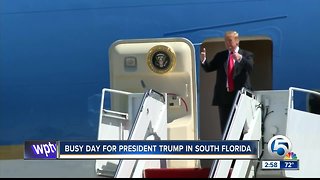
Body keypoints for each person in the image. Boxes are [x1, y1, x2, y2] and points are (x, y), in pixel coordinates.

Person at [200, 31, 254, 134]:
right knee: (225, 127)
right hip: (224, 96)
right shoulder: (221, 56)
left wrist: (240, 59)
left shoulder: (247, 54)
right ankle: (227, 148)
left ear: (237, 41)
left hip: (240, 96)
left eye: (230, 41)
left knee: (242, 126)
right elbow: (209, 68)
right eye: (226, 41)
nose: (227, 43)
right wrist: (204, 61)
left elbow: (250, 67)